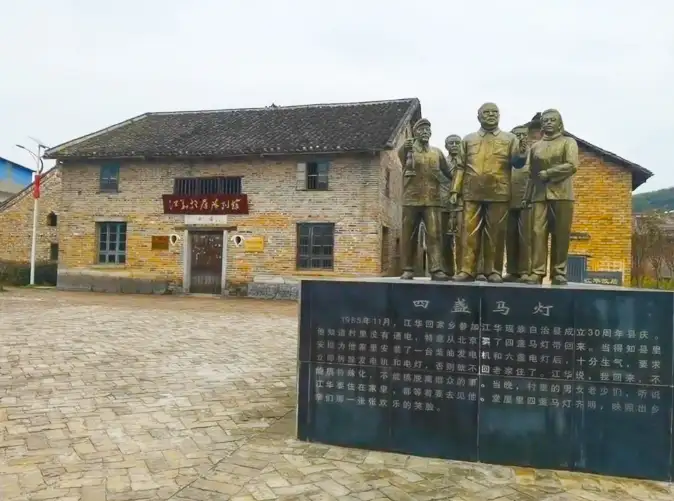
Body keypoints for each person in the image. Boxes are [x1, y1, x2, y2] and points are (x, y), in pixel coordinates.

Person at [449, 103, 527, 282]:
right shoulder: (468, 139)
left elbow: (517, 163)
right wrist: (455, 190)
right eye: (486, 112)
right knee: (469, 233)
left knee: (496, 234)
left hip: (499, 192)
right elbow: (460, 167)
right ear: (479, 117)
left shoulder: (510, 139)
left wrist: (522, 152)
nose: (491, 115)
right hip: (472, 192)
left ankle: (493, 271)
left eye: (494, 112)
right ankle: (467, 270)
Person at [522, 109, 579, 285]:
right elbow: (530, 174)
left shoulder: (568, 142)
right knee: (537, 233)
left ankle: (559, 272)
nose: (548, 123)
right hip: (539, 195)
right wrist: (526, 196)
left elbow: (572, 165)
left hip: (562, 194)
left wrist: (549, 173)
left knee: (561, 234)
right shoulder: (535, 147)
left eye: (552, 120)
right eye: (545, 120)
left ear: (559, 123)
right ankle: (537, 271)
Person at [398, 118, 453, 281]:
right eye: (421, 130)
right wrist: (404, 147)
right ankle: (408, 269)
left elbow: (449, 173)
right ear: (415, 133)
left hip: (432, 200)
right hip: (411, 199)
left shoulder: (437, 153)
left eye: (428, 130)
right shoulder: (408, 150)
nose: (425, 132)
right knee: (409, 235)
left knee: (434, 235)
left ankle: (436, 269)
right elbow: (400, 157)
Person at [504, 125, 532, 282]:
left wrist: (529, 197)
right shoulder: (508, 157)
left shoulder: (533, 155)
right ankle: (512, 270)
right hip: (508, 202)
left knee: (525, 238)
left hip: (526, 202)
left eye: (523, 135)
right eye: (517, 135)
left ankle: (525, 270)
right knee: (510, 237)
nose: (521, 138)